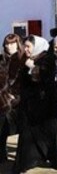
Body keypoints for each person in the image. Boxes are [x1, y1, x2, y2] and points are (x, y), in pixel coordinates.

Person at [13, 35, 57, 173]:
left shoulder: (47, 59)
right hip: (30, 106)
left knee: (49, 133)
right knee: (27, 135)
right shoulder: (27, 59)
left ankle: (55, 160)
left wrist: (33, 69)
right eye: (24, 46)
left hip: (46, 107)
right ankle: (27, 162)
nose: (26, 49)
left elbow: (46, 81)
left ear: (36, 46)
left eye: (28, 46)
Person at [0, 34, 24, 162]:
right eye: (7, 44)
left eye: (12, 43)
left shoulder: (22, 59)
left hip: (17, 100)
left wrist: (16, 96)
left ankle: (20, 155)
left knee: (20, 128)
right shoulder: (2, 59)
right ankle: (2, 154)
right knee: (2, 129)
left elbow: (24, 81)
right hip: (2, 100)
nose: (9, 46)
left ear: (17, 44)